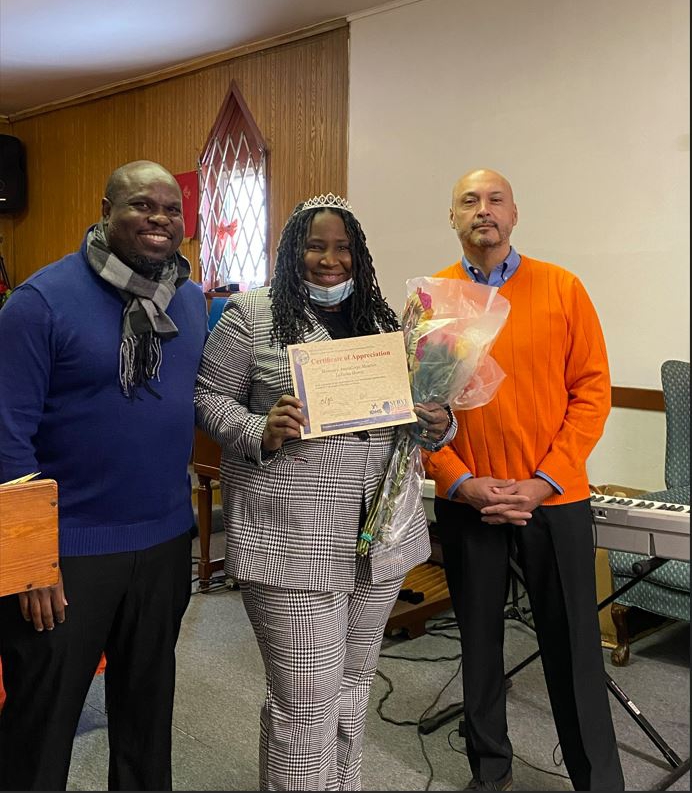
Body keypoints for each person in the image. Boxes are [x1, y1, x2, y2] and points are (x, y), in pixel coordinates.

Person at [194, 193, 455, 791]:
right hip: (293, 540)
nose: (328, 260)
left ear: (358, 255)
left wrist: (440, 423)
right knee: (303, 702)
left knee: (353, 686)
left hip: (380, 538)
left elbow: (413, 416)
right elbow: (209, 398)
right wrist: (258, 428)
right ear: (292, 251)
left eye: (342, 248)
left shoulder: (385, 321)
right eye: (316, 246)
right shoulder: (250, 315)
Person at [0, 160, 208, 791]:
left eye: (171, 210)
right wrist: (31, 564)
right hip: (69, 551)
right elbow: (6, 441)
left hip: (165, 540)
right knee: (42, 718)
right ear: (106, 209)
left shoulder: (192, 301)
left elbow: (216, 398)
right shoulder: (38, 304)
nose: (160, 220)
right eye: (142, 205)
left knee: (147, 714)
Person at [424, 168, 625, 792]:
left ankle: (596, 779)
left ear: (514, 215)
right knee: (478, 646)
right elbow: (421, 411)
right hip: (470, 501)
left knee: (573, 648)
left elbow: (592, 393)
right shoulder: (432, 302)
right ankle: (489, 772)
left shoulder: (563, 288)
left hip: (554, 496)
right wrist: (460, 483)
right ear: (452, 218)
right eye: (468, 201)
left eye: (495, 200)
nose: (482, 210)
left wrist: (541, 482)